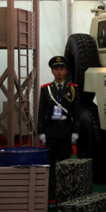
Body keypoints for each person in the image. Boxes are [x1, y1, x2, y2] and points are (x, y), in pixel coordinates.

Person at [38, 56, 80, 201]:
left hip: (65, 130)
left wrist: (75, 131)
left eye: (61, 69)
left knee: (65, 163)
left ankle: (65, 193)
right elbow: (41, 112)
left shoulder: (73, 89)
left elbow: (77, 111)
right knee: (50, 163)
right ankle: (50, 192)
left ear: (66, 71)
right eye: (56, 69)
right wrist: (41, 131)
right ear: (52, 71)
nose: (59, 72)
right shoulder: (46, 89)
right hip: (50, 131)